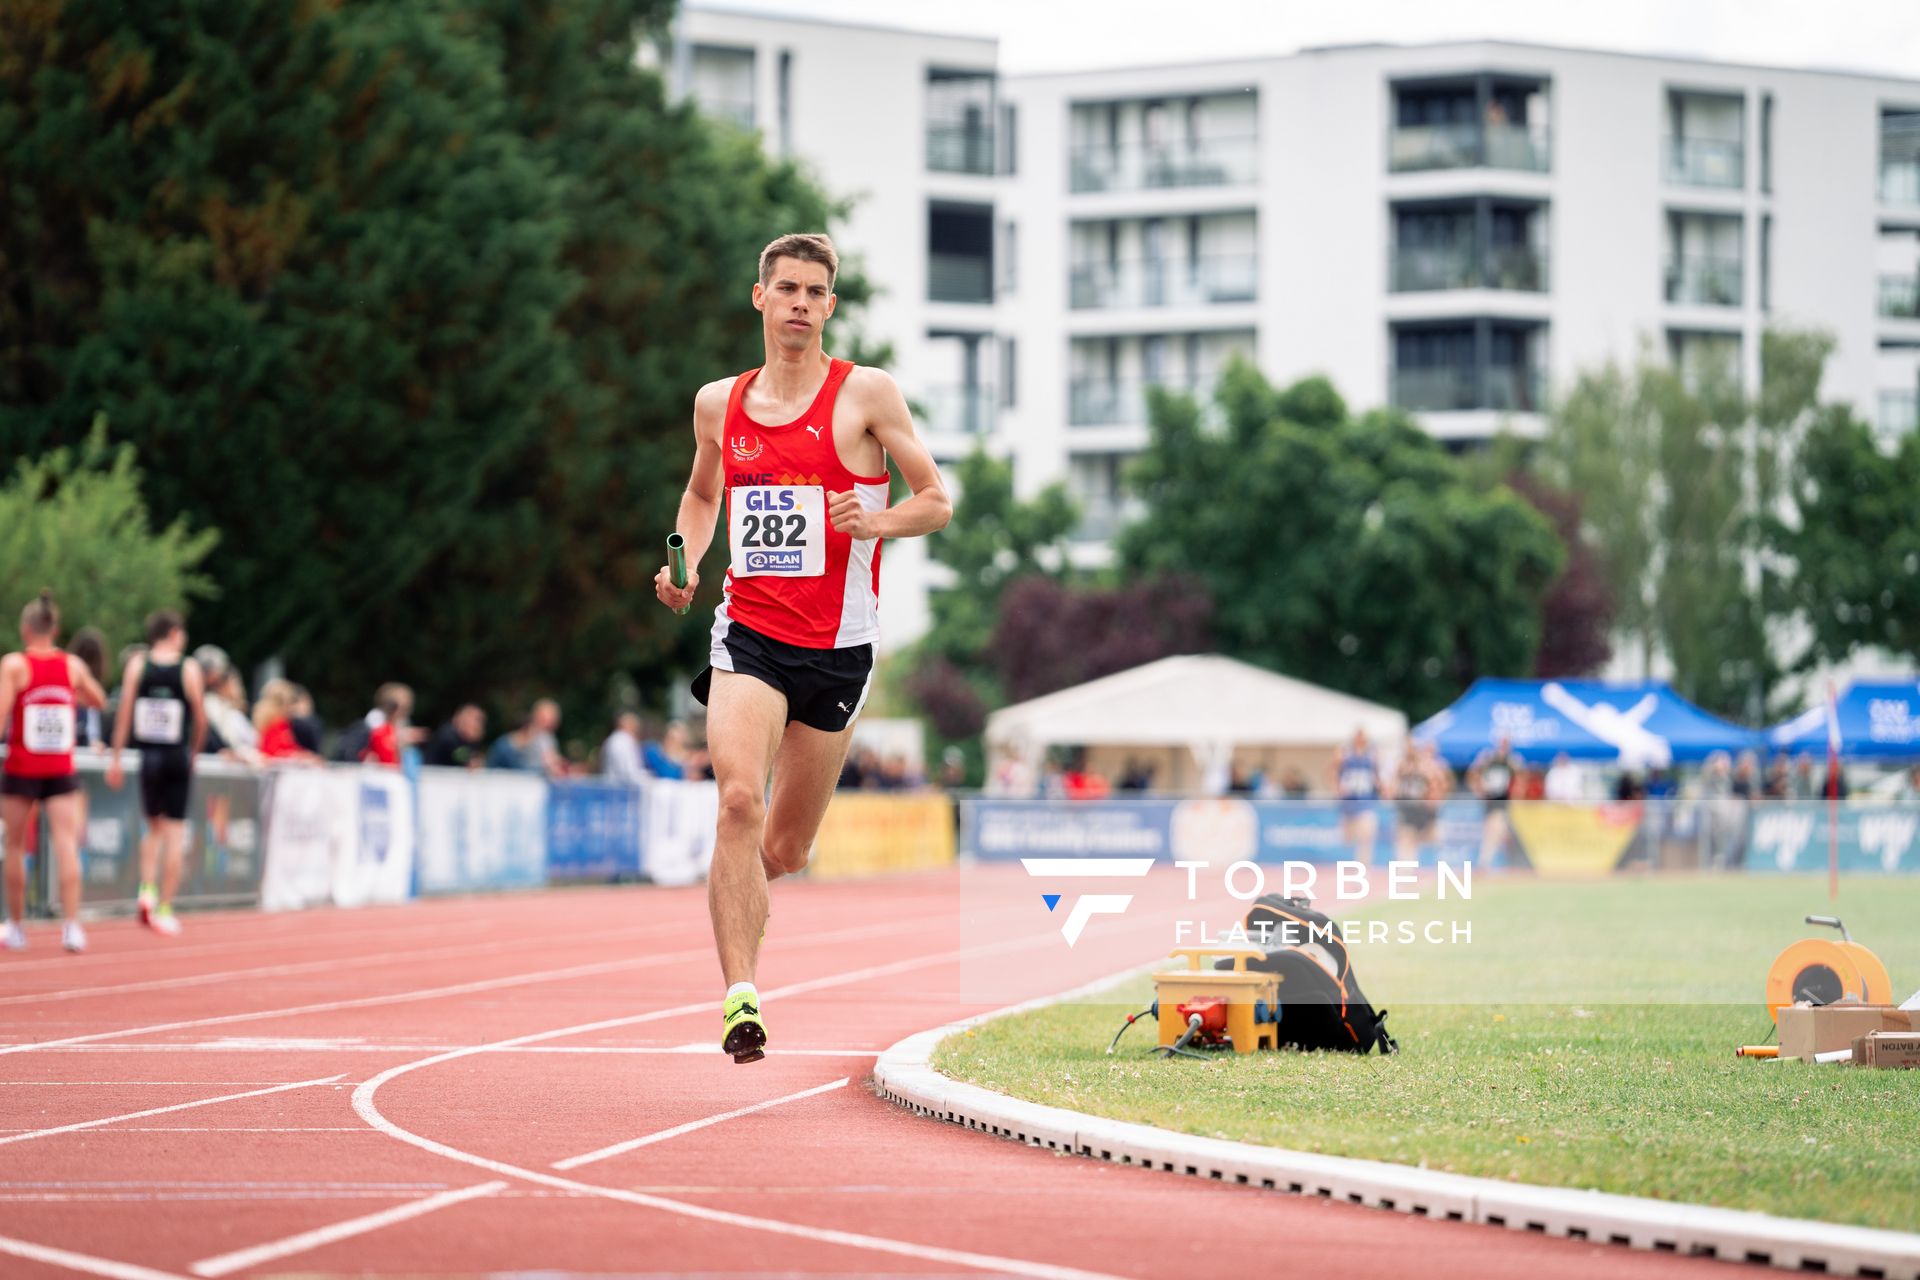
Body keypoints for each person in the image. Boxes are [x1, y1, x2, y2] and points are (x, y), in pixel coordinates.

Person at [653, 232, 950, 1063]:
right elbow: (702, 490)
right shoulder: (720, 403)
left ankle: (739, 885)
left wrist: (878, 519)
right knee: (738, 803)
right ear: (760, 298)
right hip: (748, 633)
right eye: (785, 288)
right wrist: (685, 561)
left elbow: (935, 501)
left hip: (839, 647)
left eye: (815, 292)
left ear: (829, 306)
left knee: (782, 848)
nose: (799, 303)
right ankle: (741, 998)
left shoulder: (866, 396)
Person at [0, 591, 107, 952]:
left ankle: (16, 927)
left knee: (14, 845)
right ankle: (72, 926)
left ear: (25, 629)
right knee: (66, 844)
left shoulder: (15, 665)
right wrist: (68, 699)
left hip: (22, 767)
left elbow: (0, 715)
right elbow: (99, 699)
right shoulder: (72, 666)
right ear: (55, 629)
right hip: (60, 768)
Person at [105, 610, 207, 936]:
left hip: (148, 756)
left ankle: (146, 888)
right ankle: (165, 907)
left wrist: (117, 757)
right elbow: (202, 717)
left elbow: (124, 714)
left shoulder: (138, 665)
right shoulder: (188, 668)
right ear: (174, 633)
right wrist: (194, 751)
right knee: (175, 834)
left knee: (152, 829)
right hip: (176, 755)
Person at [1391, 740, 1449, 862]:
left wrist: (1434, 799)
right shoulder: (1402, 766)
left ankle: (1436, 868)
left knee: (1434, 839)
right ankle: (1405, 871)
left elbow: (1440, 784)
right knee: (1406, 840)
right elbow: (1395, 787)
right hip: (1408, 809)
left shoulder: (1428, 767)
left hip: (1424, 810)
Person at [1468, 735, 1520, 868]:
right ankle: (1489, 861)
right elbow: (1473, 772)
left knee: (1497, 829)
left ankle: (1485, 861)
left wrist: (1516, 795)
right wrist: (1478, 789)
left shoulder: (1512, 761)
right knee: (1495, 830)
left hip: (1503, 801)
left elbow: (1520, 778)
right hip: (1490, 800)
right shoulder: (1488, 758)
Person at [1330, 728, 1381, 865]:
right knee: (1347, 839)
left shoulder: (1372, 754)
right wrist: (1336, 787)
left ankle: (1363, 868)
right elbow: (1332, 771)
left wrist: (1379, 785)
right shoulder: (1344, 754)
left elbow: (1378, 775)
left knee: (1366, 837)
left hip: (1365, 803)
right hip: (1348, 804)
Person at [489, 699, 564, 775]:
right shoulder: (504, 745)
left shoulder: (548, 738)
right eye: (545, 721)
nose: (548, 726)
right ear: (535, 718)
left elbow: (553, 763)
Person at [423, 703, 487, 769]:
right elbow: (461, 757)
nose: (477, 725)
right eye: (475, 719)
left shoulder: (469, 740)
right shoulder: (448, 735)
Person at [601, 712, 646, 784]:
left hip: (612, 783)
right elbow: (630, 771)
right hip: (622, 786)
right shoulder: (624, 740)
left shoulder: (612, 739)